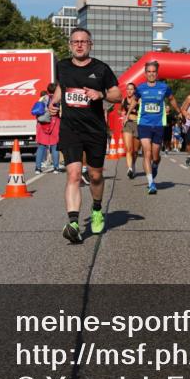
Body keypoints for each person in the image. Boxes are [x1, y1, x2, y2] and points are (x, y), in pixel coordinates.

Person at [50, 27, 120, 243]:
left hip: (95, 130)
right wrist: (54, 103)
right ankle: (73, 222)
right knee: (73, 175)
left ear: (91, 45)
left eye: (84, 41)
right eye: (75, 41)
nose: (79, 45)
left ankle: (97, 209)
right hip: (70, 129)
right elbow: (62, 88)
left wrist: (101, 94)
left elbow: (117, 94)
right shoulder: (61, 66)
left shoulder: (101, 69)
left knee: (95, 176)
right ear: (70, 45)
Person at [134, 60, 181, 195]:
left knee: (155, 155)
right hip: (144, 124)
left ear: (157, 73)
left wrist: (178, 111)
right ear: (145, 73)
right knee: (146, 153)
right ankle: (151, 183)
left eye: (153, 72)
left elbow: (171, 99)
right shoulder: (141, 87)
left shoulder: (164, 87)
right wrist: (128, 111)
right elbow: (134, 100)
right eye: (149, 72)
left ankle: (155, 165)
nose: (151, 74)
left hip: (159, 125)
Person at [35, 85, 60, 174]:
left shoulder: (42, 98)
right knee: (55, 146)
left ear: (47, 90)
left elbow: (36, 110)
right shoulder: (58, 99)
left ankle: (38, 168)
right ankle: (56, 168)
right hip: (55, 122)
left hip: (42, 123)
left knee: (41, 146)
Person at [121, 82, 140, 178]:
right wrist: (123, 116)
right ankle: (129, 169)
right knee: (129, 149)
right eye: (128, 89)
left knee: (135, 151)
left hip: (137, 124)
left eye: (131, 89)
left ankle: (133, 165)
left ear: (134, 90)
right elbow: (120, 110)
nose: (129, 91)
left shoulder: (139, 100)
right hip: (127, 124)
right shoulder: (123, 100)